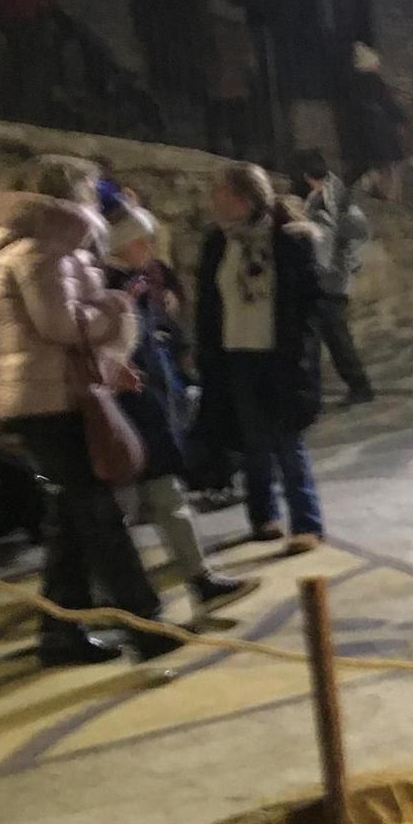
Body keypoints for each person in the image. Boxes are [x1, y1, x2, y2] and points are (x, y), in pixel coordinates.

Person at [0, 156, 182, 666]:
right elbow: (62, 327)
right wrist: (115, 307)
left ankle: (61, 633)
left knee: (74, 519)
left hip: (54, 393)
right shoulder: (40, 253)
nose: (97, 202)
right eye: (91, 192)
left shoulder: (46, 250)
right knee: (98, 514)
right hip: (48, 401)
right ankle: (144, 622)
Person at [103, 203, 256, 621]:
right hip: (124, 411)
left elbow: (155, 343)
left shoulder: (133, 283)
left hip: (147, 407)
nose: (150, 248)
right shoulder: (111, 287)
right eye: (143, 241)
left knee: (167, 497)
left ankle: (199, 579)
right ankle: (111, 599)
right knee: (116, 512)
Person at [197, 162, 327, 555]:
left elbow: (308, 302)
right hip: (236, 354)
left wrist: (304, 352)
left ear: (244, 196)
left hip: (280, 355)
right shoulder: (217, 243)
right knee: (253, 442)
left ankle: (306, 523)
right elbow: (209, 302)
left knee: (288, 440)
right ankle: (263, 517)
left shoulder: (288, 240)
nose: (215, 199)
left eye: (221, 191)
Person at [300, 152, 375, 407]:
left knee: (335, 338)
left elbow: (358, 230)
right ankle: (325, 392)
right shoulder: (319, 198)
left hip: (331, 279)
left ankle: (359, 386)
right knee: (320, 341)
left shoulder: (334, 199)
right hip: (321, 278)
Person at [200, 0, 257, 159]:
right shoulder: (233, 29)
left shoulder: (226, 29)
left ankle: (231, 151)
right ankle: (230, 150)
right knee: (227, 120)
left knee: (230, 121)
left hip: (226, 86)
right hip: (224, 85)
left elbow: (246, 57)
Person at [344, 42, 410, 185]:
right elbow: (388, 103)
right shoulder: (374, 82)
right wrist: (401, 118)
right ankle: (384, 192)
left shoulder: (354, 84)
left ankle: (357, 186)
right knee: (385, 163)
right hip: (379, 131)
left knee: (367, 163)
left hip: (364, 132)